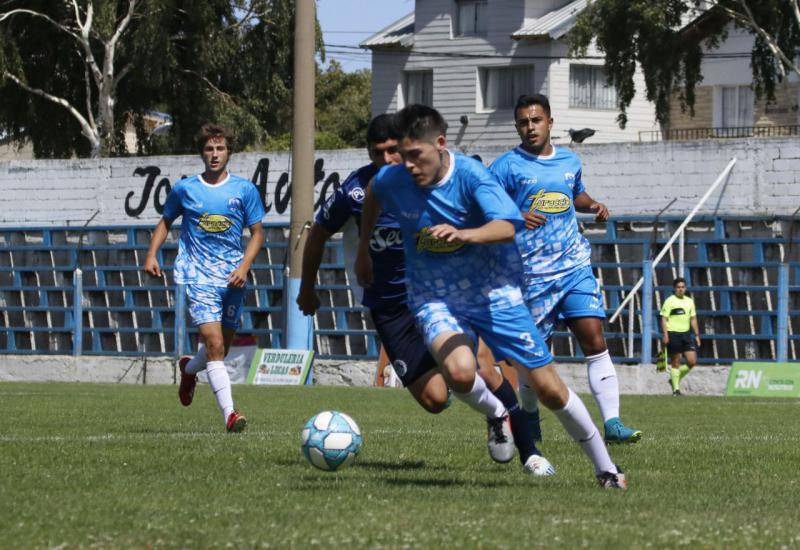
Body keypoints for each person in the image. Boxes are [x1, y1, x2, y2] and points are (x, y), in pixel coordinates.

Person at [356, 104, 627, 489]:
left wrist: (465, 234)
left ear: (440, 144)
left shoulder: (470, 175)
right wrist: (363, 249)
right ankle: (499, 414)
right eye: (405, 156)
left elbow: (506, 226)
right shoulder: (394, 178)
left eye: (417, 156)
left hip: (495, 293)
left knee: (549, 388)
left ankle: (606, 468)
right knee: (461, 372)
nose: (410, 166)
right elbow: (373, 193)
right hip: (434, 296)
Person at [297, 115, 548, 474]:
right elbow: (319, 233)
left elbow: (479, 211)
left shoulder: (432, 179)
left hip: (441, 294)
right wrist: (309, 287)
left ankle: (530, 452)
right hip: (390, 305)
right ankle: (491, 410)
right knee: (434, 399)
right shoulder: (359, 189)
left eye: (392, 152)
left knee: (483, 368)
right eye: (377, 153)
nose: (387, 160)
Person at [490, 93, 642, 444]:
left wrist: (594, 204)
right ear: (517, 127)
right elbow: (484, 206)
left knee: (594, 337)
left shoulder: (569, 161)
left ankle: (613, 423)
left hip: (573, 265)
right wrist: (514, 216)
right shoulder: (506, 167)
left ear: (550, 122)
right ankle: (529, 418)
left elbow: (575, 195)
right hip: (531, 276)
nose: (530, 127)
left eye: (536, 120)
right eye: (524, 122)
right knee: (532, 360)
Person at [144, 123, 265, 433]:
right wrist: (151, 254)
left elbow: (257, 235)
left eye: (220, 148)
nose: (214, 154)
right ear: (202, 152)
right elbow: (165, 222)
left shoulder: (244, 190)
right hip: (197, 276)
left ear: (229, 152)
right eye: (209, 149)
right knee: (213, 344)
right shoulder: (186, 189)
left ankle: (189, 368)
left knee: (220, 348)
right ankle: (230, 415)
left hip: (232, 278)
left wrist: (244, 267)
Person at [660, 277, 701, 396]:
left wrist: (697, 335)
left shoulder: (689, 301)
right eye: (678, 287)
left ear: (686, 288)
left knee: (692, 361)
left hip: (686, 334)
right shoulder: (670, 301)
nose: (680, 289)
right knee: (676, 361)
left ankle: (673, 379)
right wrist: (665, 334)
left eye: (682, 287)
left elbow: (693, 319)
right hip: (673, 334)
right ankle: (676, 389)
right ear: (674, 289)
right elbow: (664, 319)